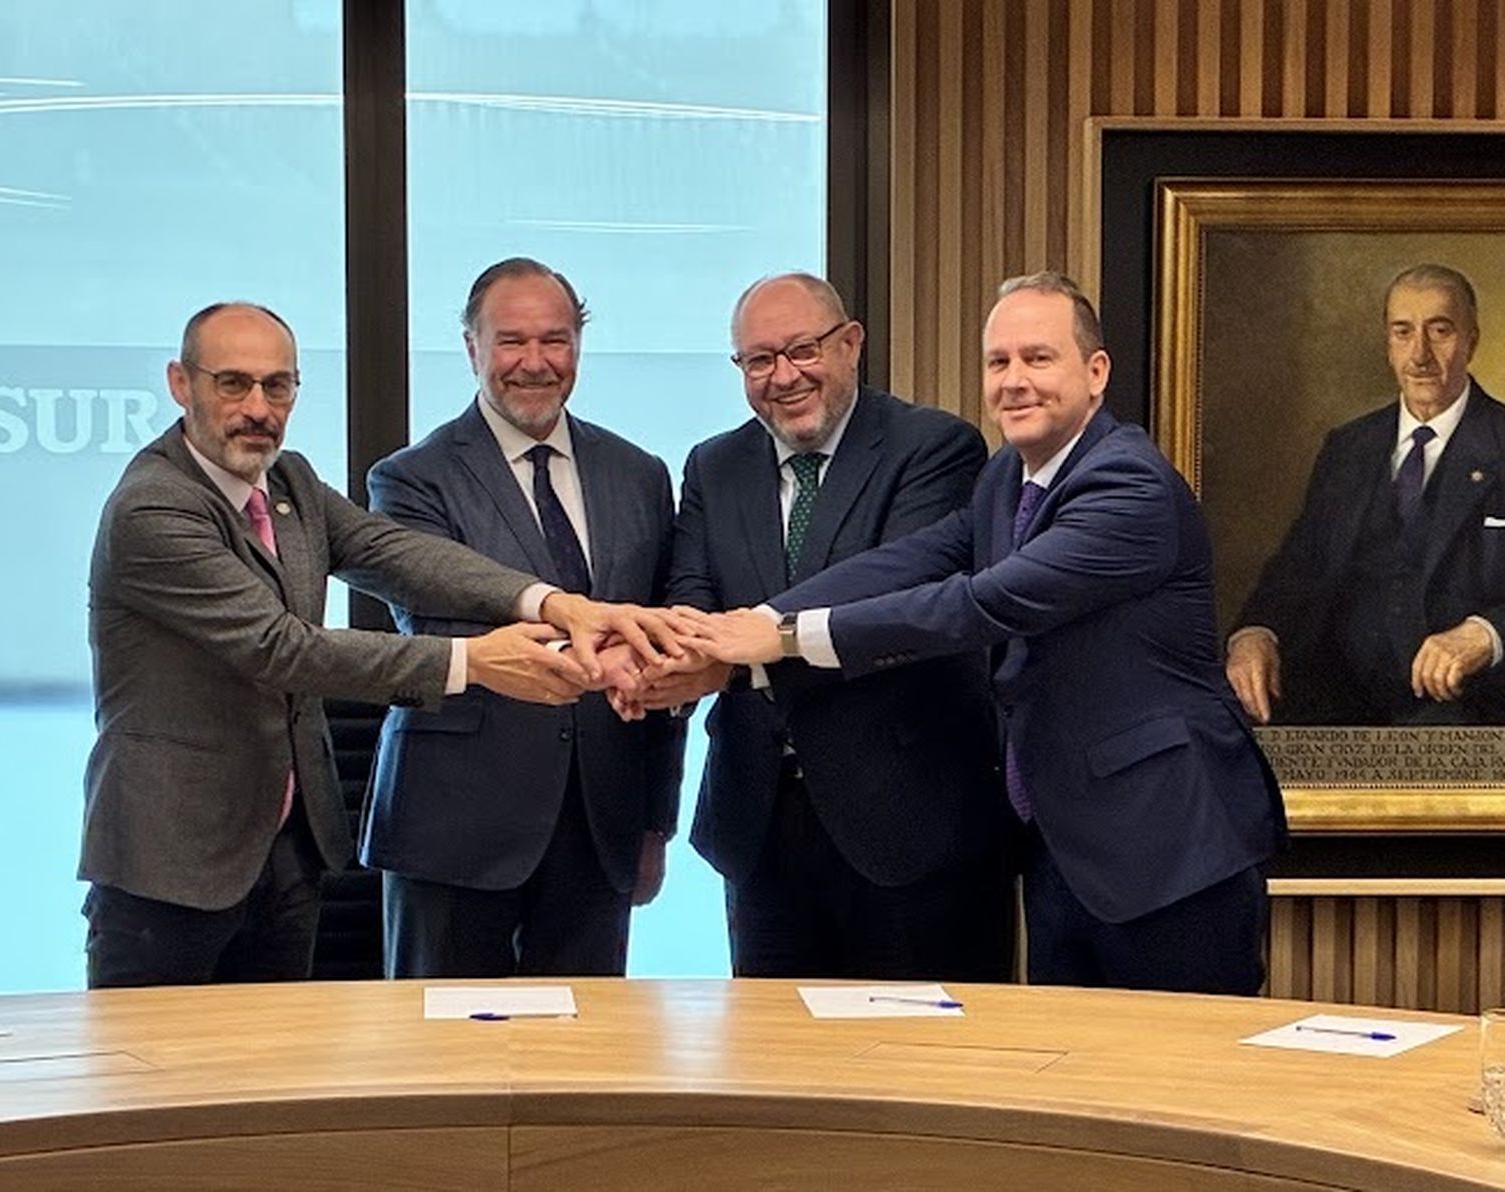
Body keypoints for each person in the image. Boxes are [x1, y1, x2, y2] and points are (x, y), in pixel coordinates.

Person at [677, 272, 1286, 994]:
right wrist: (755, 622)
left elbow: (979, 605)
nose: (1014, 382)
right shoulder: (1008, 477)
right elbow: (912, 560)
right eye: (999, 363)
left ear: (1095, 373)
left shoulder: (1129, 485)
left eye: (1038, 358)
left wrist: (783, 638)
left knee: (1182, 1083)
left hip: (1170, 847)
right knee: (1068, 1084)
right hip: (1065, 848)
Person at [80, 300, 673, 988]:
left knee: (273, 1075)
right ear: (182, 384)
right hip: (168, 862)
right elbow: (284, 648)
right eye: (233, 383)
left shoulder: (289, 480)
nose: (258, 407)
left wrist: (551, 602)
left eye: (279, 385)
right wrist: (472, 662)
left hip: (285, 849)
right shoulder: (154, 506)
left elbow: (391, 551)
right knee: (156, 1080)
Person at [616, 271, 1013, 982]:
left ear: (851, 343)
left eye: (803, 350)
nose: (784, 376)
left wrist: (741, 659)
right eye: (759, 360)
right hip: (760, 828)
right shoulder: (715, 464)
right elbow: (692, 599)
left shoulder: (934, 448)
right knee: (780, 1072)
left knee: (918, 1069)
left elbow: (901, 605)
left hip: (909, 824)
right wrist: (669, 666)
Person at [359, 259, 683, 977]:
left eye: (556, 341)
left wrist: (654, 819)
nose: (534, 363)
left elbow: (660, 653)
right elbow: (442, 624)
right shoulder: (412, 478)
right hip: (455, 828)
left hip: (601, 825)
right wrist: (602, 655)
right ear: (472, 347)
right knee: (442, 1060)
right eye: (511, 342)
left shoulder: (640, 474)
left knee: (582, 1065)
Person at [1227, 263, 1505, 726]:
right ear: (1387, 345)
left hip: (1472, 710)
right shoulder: (1349, 447)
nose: (1420, 355)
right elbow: (1299, 567)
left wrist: (1490, 634)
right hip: (1339, 704)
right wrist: (1256, 633)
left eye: (1439, 331)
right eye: (1403, 332)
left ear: (1472, 341)